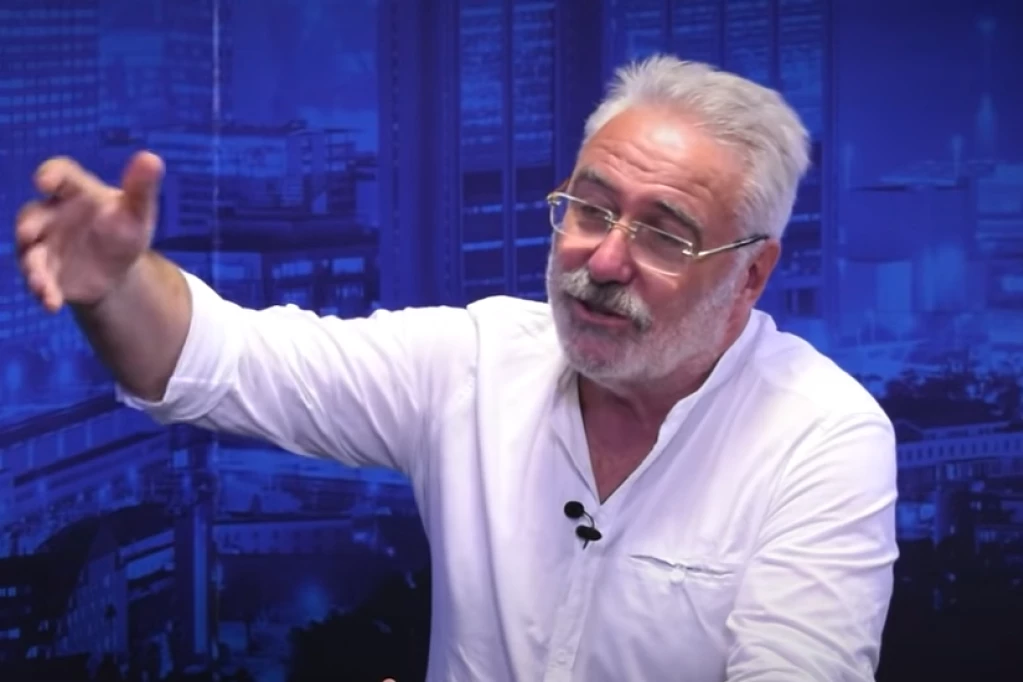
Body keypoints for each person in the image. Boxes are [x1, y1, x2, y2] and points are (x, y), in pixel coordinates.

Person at [15, 55, 898, 681]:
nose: (603, 261)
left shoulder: (820, 435)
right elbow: (221, 360)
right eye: (589, 210)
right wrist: (117, 284)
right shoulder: (475, 360)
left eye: (663, 235)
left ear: (750, 274)